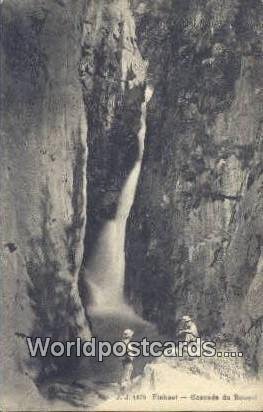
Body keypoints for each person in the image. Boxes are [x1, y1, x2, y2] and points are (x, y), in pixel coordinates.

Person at [120, 328, 134, 393]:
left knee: (126, 376)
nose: (132, 336)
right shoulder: (126, 344)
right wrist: (131, 357)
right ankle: (124, 393)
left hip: (126, 361)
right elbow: (128, 353)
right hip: (127, 361)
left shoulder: (123, 343)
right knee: (126, 377)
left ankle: (124, 391)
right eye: (131, 335)